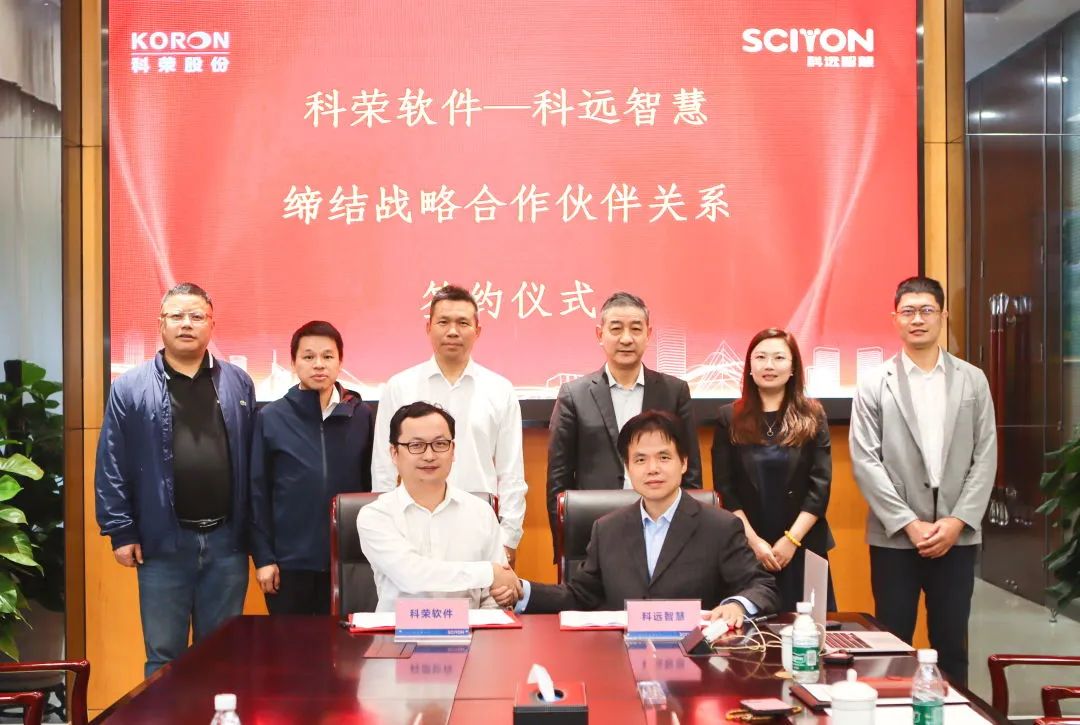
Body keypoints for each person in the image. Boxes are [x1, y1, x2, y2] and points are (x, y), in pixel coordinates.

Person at [95, 282, 255, 677]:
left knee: (222, 655)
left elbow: (253, 462)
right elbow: (112, 461)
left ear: (212, 324)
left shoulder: (238, 382)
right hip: (162, 542)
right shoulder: (129, 387)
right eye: (177, 316)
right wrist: (121, 531)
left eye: (196, 316)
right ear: (161, 324)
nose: (186, 324)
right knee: (163, 656)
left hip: (227, 542)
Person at [850, 276, 996, 686]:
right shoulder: (875, 382)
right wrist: (908, 523)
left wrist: (957, 521)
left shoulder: (972, 379)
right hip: (895, 538)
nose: (918, 319)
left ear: (943, 316)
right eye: (908, 311)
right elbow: (865, 460)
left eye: (927, 310)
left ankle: (954, 711)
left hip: (956, 536)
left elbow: (986, 455)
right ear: (895, 318)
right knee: (891, 645)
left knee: (952, 646)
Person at [499, 410, 779, 624]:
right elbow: (579, 596)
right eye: (640, 459)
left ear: (684, 463)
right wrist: (521, 590)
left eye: (664, 458)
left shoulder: (720, 526)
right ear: (628, 468)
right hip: (620, 660)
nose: (652, 469)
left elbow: (761, 585)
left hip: (696, 660)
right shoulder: (607, 529)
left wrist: (737, 605)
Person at [371, 285, 527, 565]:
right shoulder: (400, 386)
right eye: (443, 322)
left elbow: (511, 472)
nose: (453, 331)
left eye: (463, 323)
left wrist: (508, 537)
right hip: (411, 526)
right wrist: (386, 529)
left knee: (477, 594)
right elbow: (383, 467)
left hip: (479, 527)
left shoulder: (499, 389)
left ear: (477, 330)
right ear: (428, 327)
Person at [546, 291, 702, 546]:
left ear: (648, 334)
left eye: (636, 329)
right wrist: (565, 546)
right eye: (616, 329)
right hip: (596, 529)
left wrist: (691, 536)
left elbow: (691, 471)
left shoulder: (675, 392)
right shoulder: (574, 395)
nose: (626, 339)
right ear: (600, 334)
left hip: (664, 525)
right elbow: (558, 479)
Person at [250, 321, 375, 615]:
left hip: (350, 559)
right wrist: (264, 558)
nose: (319, 364)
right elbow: (257, 491)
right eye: (308, 356)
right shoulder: (271, 417)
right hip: (289, 563)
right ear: (294, 362)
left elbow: (371, 485)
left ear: (340, 361)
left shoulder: (361, 415)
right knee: (294, 642)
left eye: (328, 356)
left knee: (347, 642)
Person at [712, 328, 835, 612]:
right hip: (747, 546)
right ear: (749, 366)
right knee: (749, 628)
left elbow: (820, 488)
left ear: (793, 368)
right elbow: (725, 490)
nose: (769, 365)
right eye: (761, 357)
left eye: (779, 358)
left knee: (809, 628)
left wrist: (791, 541)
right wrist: (754, 542)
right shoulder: (728, 417)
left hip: (803, 544)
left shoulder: (813, 415)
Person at [358, 402, 519, 611]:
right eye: (416, 445)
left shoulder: (481, 512)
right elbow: (411, 575)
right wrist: (488, 572)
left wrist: (499, 601)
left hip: (471, 629)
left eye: (440, 444)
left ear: (453, 450)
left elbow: (495, 596)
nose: (429, 456)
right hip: (397, 630)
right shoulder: (376, 515)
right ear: (394, 453)